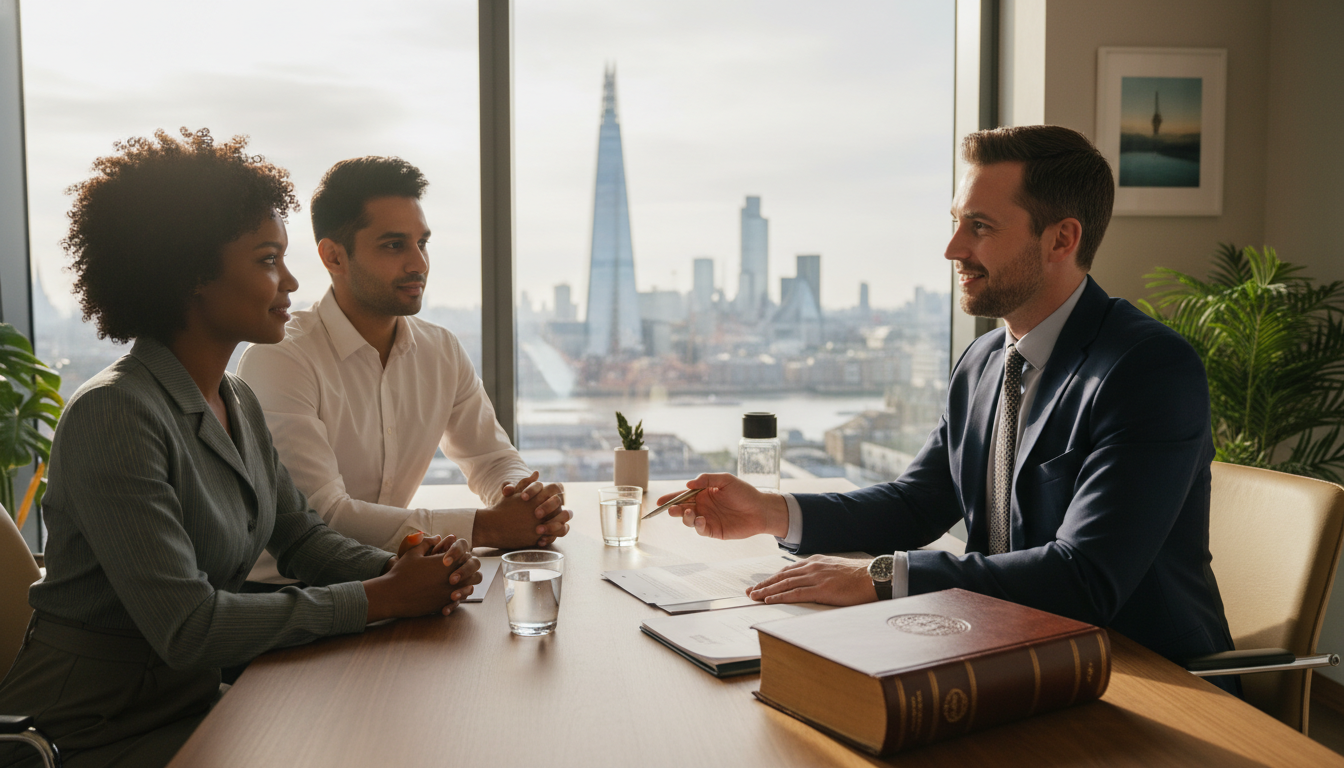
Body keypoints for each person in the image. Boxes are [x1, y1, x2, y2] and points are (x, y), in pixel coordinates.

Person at [659, 125, 1237, 685]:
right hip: (1005, 650)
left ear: (1062, 239)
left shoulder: (1147, 369)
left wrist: (880, 577)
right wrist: (770, 512)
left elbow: (1084, 579)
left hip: (1142, 675)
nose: (952, 249)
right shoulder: (984, 360)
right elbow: (916, 505)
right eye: (956, 222)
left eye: (979, 227)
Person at [0, 129, 482, 768]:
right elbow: (189, 626)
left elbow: (301, 537)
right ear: (189, 276)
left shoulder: (234, 399)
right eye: (266, 260)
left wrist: (416, 566)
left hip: (192, 704)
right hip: (86, 734)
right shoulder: (114, 415)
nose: (289, 281)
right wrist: (383, 597)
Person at [237, 157, 570, 585]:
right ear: (334, 257)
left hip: (403, 583)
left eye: (422, 243)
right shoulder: (280, 357)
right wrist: (488, 527)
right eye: (394, 245)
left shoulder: (441, 350)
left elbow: (490, 458)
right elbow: (324, 517)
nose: (419, 264)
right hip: (291, 598)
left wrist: (527, 501)